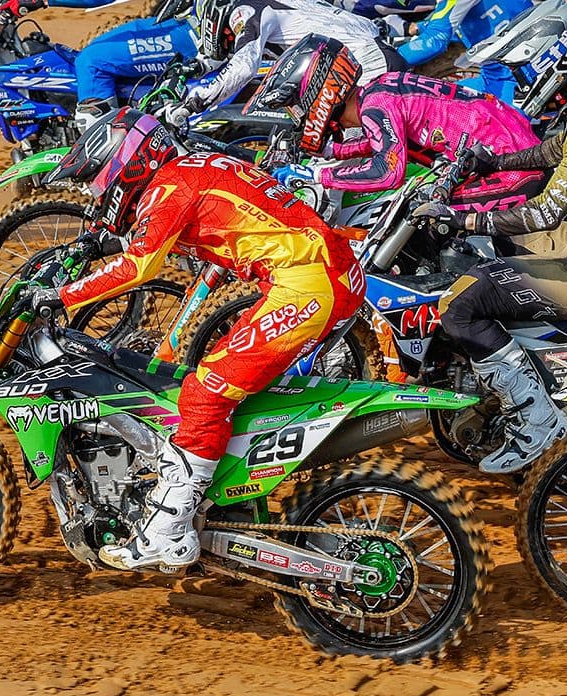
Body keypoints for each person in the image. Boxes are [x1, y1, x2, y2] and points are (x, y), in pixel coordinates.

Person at [26, 109, 365, 570]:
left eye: (95, 179)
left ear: (123, 163)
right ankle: (219, 499)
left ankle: (169, 530)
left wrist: (62, 296)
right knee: (225, 387)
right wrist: (91, 247)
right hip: (320, 272)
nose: (96, 192)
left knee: (206, 394)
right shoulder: (186, 170)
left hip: (308, 284)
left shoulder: (169, 189)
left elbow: (139, 267)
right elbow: (171, 232)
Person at [410, 0, 567, 474]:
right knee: (486, 256)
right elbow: (553, 152)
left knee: (460, 304)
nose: (523, 79)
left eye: (526, 69)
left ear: (555, 61)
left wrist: (463, 220)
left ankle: (534, 416)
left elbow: (546, 211)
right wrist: (493, 162)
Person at [250, 36, 544, 209]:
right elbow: (386, 142)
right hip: (509, 149)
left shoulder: (376, 106)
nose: (299, 116)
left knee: (423, 213)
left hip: (514, 168)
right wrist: (333, 152)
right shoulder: (379, 89)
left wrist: (316, 175)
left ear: (320, 94)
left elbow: (386, 173)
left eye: (298, 107)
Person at [168, 0, 406, 124]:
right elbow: (237, 52)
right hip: (378, 57)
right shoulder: (264, 6)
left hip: (364, 67)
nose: (197, 30)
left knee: (327, 163)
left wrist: (193, 104)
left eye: (195, 23)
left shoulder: (245, 10)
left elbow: (243, 67)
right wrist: (198, 66)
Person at [0, 0, 199, 129]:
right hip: (186, 23)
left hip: (194, 34)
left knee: (92, 62)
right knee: (98, 47)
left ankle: (103, 162)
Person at [388, 0, 535, 102]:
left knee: (431, 104)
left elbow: (434, 41)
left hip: (515, 81)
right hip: (503, 75)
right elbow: (452, 21)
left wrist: (384, 60)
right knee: (436, 98)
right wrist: (412, 28)